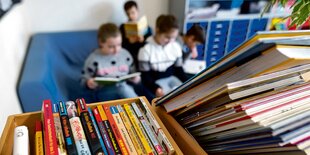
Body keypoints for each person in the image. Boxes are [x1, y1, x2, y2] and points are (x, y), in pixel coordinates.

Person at [81, 23, 139, 101]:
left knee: (123, 87)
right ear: (101, 42)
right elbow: (83, 80)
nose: (116, 50)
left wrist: (136, 79)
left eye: (119, 45)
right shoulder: (93, 59)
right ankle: (140, 105)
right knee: (121, 88)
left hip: (126, 89)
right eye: (111, 47)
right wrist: (88, 83)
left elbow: (133, 73)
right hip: (103, 93)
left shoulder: (125, 54)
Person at [138, 15, 189, 97]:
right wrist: (156, 89)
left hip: (171, 79)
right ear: (157, 30)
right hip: (153, 83)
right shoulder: (145, 49)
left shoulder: (175, 46)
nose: (170, 41)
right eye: (167, 37)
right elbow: (145, 77)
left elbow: (179, 70)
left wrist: (189, 82)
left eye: (173, 38)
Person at [119, 0, 152, 68]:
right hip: (130, 53)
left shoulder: (145, 26)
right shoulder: (122, 27)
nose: (130, 16)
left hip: (143, 52)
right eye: (128, 14)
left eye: (133, 12)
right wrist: (129, 42)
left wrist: (143, 40)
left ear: (138, 11)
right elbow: (120, 45)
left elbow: (151, 43)